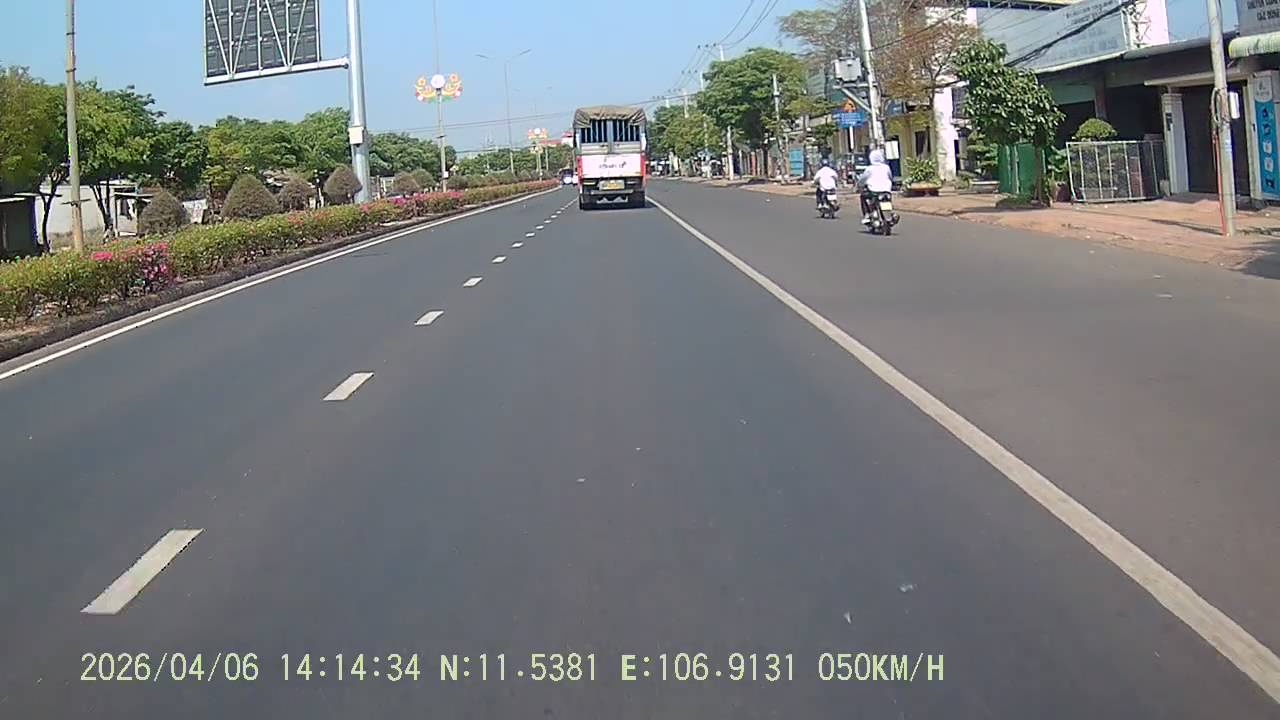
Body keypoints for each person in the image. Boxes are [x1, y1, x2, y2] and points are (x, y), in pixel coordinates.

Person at [857, 148, 894, 224]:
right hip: (886, 191)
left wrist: (859, 185)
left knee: (863, 196)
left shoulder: (869, 169)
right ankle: (889, 215)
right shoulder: (886, 167)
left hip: (874, 191)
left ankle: (867, 214)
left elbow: (862, 180)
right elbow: (890, 177)